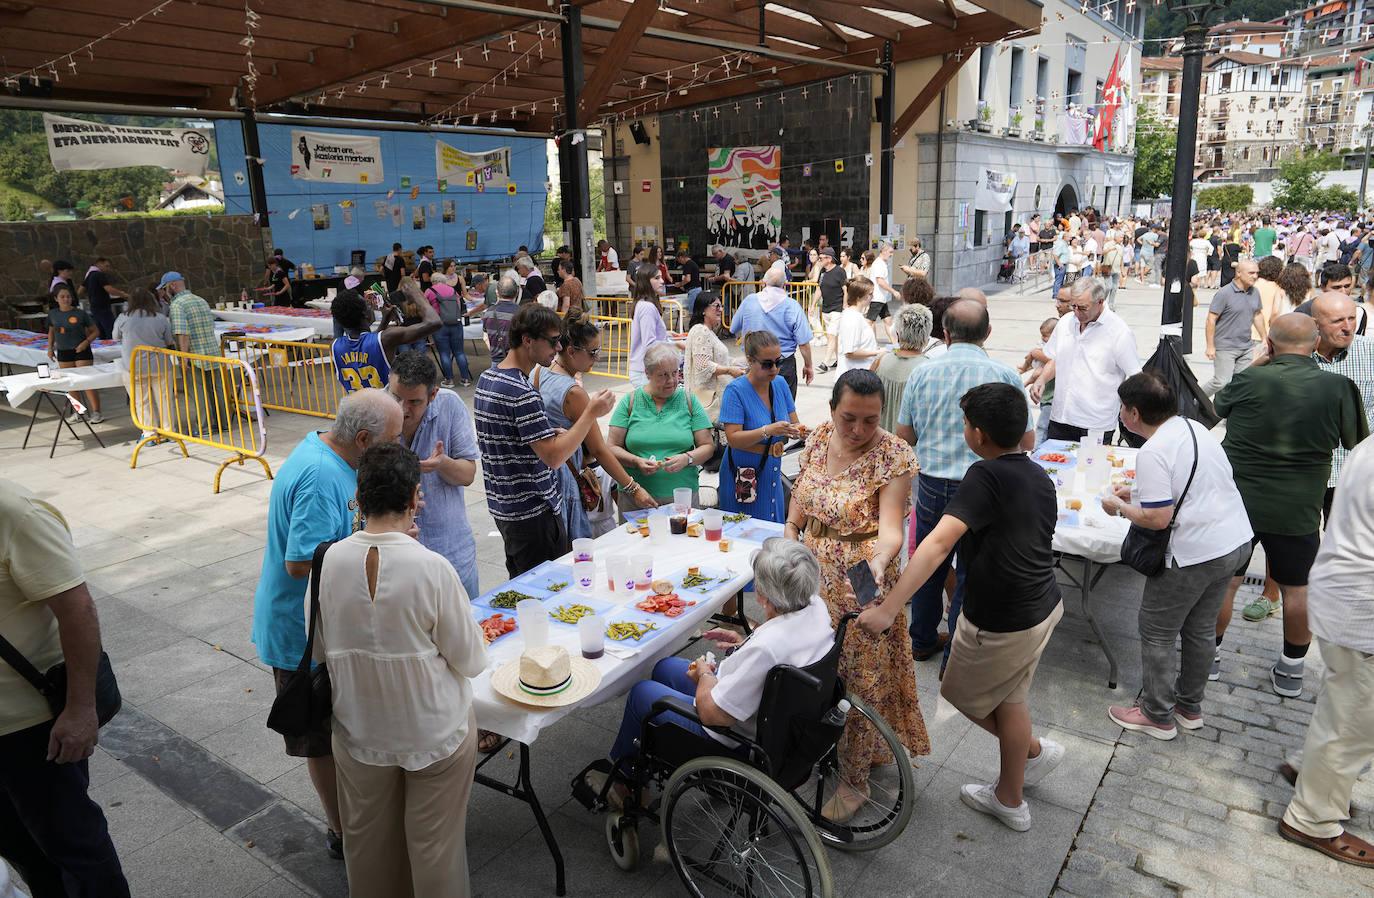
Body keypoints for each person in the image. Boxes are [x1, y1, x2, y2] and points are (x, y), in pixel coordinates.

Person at [863, 382, 1064, 833]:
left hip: (1004, 619)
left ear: (977, 434)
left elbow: (936, 546)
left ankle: (1026, 757)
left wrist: (890, 608)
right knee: (1009, 697)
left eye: (965, 424)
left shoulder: (985, 475)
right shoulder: (1035, 474)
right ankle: (1013, 786)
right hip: (1042, 607)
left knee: (958, 692)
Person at [316, 442, 487, 897]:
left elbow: (321, 648)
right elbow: (470, 660)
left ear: (360, 496)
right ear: (415, 496)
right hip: (434, 732)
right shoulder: (431, 567)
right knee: (435, 851)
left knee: (368, 848)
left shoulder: (330, 560)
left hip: (359, 729)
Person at [251, 389, 404, 859]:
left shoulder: (332, 455)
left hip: (323, 627)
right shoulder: (320, 475)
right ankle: (344, 833)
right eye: (391, 440)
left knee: (341, 733)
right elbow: (301, 562)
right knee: (319, 739)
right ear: (362, 439)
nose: (397, 449)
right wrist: (377, 548)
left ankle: (358, 821)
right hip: (302, 637)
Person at [783, 370, 928, 820]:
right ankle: (821, 744)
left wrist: (880, 563)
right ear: (832, 409)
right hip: (811, 568)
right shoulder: (821, 435)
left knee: (859, 677)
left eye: (870, 419)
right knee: (812, 662)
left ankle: (855, 780)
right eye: (850, 418)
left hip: (861, 573)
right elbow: (803, 494)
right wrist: (790, 530)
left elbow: (891, 532)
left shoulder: (893, 455)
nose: (859, 430)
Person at [1212, 314, 1369, 697]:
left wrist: (1258, 362)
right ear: (1316, 344)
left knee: (1225, 583)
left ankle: (1208, 658)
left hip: (1238, 504)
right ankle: (1291, 670)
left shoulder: (1250, 379)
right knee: (1297, 590)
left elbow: (1219, 406)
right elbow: (1358, 444)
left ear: (1269, 344)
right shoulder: (1338, 387)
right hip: (1297, 510)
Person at [591, 538, 833, 786]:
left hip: (737, 737)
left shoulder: (767, 648)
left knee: (642, 693)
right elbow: (782, 644)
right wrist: (745, 644)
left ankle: (624, 783)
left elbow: (713, 714)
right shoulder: (816, 607)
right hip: (779, 718)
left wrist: (705, 676)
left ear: (764, 597)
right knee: (663, 667)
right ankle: (649, 752)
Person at [1100, 373, 1252, 740]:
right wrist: (1136, 489)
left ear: (1133, 413)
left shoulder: (1152, 451)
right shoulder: (1191, 427)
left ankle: (1156, 714)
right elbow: (1189, 478)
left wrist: (1119, 505)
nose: (1120, 414)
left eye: (1122, 408)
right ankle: (1189, 707)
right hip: (1234, 542)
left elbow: (1157, 519)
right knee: (1199, 629)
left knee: (1157, 631)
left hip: (1194, 553)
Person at [0, 480, 131, 898]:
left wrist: (80, 711)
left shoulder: (16, 513)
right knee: (20, 847)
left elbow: (78, 610)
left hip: (31, 728)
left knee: (74, 848)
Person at [897, 299, 1031, 665]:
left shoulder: (922, 373)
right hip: (988, 486)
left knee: (929, 562)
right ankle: (956, 650)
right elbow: (1027, 441)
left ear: (944, 333)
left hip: (933, 482)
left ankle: (921, 639)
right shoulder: (1006, 376)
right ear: (988, 333)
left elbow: (904, 434)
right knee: (972, 570)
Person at [1277, 435, 1374, 868]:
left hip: (1344, 593)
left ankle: (1312, 770)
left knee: (1344, 704)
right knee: (1354, 718)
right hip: (1360, 605)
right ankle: (1312, 817)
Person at [474, 305, 615, 577]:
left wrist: (552, 434)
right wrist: (590, 413)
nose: (558, 347)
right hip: (532, 513)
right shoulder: (521, 392)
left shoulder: (488, 379)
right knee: (546, 593)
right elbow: (553, 457)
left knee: (523, 587)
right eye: (553, 341)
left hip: (505, 509)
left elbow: (511, 440)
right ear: (528, 340)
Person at [537, 309, 656, 537]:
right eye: (593, 352)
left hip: (544, 479)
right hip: (564, 482)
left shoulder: (540, 372)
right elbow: (599, 450)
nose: (598, 358)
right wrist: (634, 488)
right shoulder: (573, 393)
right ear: (571, 351)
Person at [386, 352, 481, 601]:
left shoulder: (450, 405)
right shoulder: (378, 410)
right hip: (399, 561)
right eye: (396, 397)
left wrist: (442, 464)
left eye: (414, 402)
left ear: (433, 394)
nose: (402, 409)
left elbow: (468, 474)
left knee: (468, 633)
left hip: (451, 554)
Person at [1030, 277, 1141, 444]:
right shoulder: (1066, 322)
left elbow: (1135, 377)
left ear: (1100, 302)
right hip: (1061, 416)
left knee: (1089, 469)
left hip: (1096, 423)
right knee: (1054, 467)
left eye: (1083, 308)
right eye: (1073, 306)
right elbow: (1057, 358)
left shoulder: (1119, 332)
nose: (1076, 312)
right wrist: (1042, 379)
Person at [608, 342, 713, 507]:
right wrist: (636, 461)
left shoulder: (688, 400)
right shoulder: (630, 402)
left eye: (675, 372)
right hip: (636, 497)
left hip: (682, 497)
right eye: (663, 375)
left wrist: (687, 458)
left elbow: (707, 446)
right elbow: (611, 448)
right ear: (647, 373)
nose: (671, 380)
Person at [718, 331, 801, 522]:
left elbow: (795, 423)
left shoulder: (780, 384)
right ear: (750, 360)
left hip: (771, 469)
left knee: (772, 529)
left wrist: (803, 430)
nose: (774, 369)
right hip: (743, 472)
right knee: (743, 529)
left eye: (778, 362)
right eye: (767, 364)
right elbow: (733, 438)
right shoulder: (736, 390)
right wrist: (768, 430)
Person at [1306, 293, 1374, 522]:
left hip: (1356, 476)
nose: (1348, 327)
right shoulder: (1296, 354)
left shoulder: (1370, 351)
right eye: (1337, 321)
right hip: (1305, 474)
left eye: (1352, 318)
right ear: (1315, 324)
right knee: (1295, 551)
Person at [728, 265, 814, 397]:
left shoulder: (749, 301)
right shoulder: (792, 306)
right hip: (783, 364)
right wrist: (808, 366)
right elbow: (803, 343)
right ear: (785, 284)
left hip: (754, 364)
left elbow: (733, 327)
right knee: (784, 409)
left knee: (755, 408)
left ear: (763, 282)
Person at [331, 288, 439, 393]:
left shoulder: (336, 346)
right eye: (367, 304)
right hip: (387, 407)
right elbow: (434, 323)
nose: (371, 306)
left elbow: (367, 343)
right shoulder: (386, 338)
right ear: (365, 314)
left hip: (360, 407)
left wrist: (384, 321)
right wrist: (416, 294)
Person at [161, 271, 222, 434]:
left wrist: (184, 357)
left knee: (198, 391)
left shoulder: (177, 305)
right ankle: (223, 423)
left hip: (194, 355)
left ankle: (205, 426)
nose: (164, 293)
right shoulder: (200, 300)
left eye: (164, 289)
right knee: (216, 390)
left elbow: (182, 333)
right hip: (212, 351)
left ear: (171, 286)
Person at [113, 287, 175, 437]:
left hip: (134, 365)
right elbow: (168, 341)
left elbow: (115, 337)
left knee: (142, 401)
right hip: (159, 364)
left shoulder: (123, 318)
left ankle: (149, 433)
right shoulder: (161, 318)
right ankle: (170, 432)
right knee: (165, 399)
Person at [1202, 259, 1265, 396]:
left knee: (1240, 382)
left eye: (1257, 273)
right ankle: (1194, 401)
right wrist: (1210, 346)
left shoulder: (1255, 292)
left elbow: (1257, 315)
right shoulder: (1224, 293)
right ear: (1238, 273)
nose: (1255, 276)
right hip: (1225, 346)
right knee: (1222, 381)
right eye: (1251, 273)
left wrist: (1264, 337)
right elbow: (1211, 320)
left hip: (1246, 347)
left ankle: (1225, 412)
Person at [45, 285, 104, 425]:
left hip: (81, 350)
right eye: (62, 297)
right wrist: (50, 348)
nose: (66, 299)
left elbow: (95, 331)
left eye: (68, 296)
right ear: (56, 299)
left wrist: (85, 342)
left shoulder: (80, 313)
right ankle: (79, 412)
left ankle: (96, 412)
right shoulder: (53, 314)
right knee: (71, 383)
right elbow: (51, 331)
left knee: (87, 381)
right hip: (63, 351)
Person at [871, 304, 932, 435]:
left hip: (880, 441)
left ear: (897, 334)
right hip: (911, 450)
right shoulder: (929, 369)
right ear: (926, 339)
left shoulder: (880, 360)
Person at [683, 291, 744, 421]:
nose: (721, 310)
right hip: (708, 401)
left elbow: (720, 359)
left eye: (721, 306)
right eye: (716, 306)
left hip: (712, 398)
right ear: (703, 309)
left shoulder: (707, 331)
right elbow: (703, 365)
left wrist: (743, 362)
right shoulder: (701, 331)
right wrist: (729, 370)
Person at [627, 267, 679, 388]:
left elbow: (648, 336)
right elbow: (650, 343)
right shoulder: (647, 307)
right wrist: (676, 345)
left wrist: (666, 334)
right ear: (646, 282)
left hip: (644, 371)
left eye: (661, 277)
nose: (662, 281)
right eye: (657, 278)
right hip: (645, 372)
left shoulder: (644, 304)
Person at [424, 273, 473, 388]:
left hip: (440, 325)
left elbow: (424, 309)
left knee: (444, 353)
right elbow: (459, 305)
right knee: (459, 352)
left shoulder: (429, 291)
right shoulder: (452, 290)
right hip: (456, 323)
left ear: (433, 281)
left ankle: (449, 380)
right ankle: (465, 379)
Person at [835, 275, 879, 374]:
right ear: (859, 297)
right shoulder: (852, 317)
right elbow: (850, 352)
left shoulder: (855, 315)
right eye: (870, 294)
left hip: (858, 373)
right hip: (853, 376)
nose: (873, 297)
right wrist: (878, 353)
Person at [815, 248, 847, 372]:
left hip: (837, 308)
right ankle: (840, 360)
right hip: (826, 308)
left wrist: (845, 304)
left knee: (831, 335)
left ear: (829, 258)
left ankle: (825, 363)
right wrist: (812, 305)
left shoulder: (839, 271)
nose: (819, 260)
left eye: (821, 258)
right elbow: (819, 289)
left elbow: (845, 289)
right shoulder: (823, 272)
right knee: (833, 337)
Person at [480, 275, 522, 366]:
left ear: (497, 293)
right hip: (517, 361)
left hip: (496, 362)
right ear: (516, 293)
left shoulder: (488, 313)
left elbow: (485, 337)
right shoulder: (522, 313)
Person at [82, 257, 127, 339]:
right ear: (99, 264)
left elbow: (81, 289)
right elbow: (109, 289)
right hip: (103, 307)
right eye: (106, 266)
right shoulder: (99, 274)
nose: (108, 269)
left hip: (94, 307)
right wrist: (123, 294)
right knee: (110, 330)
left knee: (101, 331)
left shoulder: (89, 275)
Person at [867, 242, 897, 344]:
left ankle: (895, 344)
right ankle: (869, 343)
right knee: (869, 322)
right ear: (883, 251)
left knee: (888, 321)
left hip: (881, 298)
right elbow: (880, 281)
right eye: (890, 252)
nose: (892, 254)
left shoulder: (881, 263)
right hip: (877, 298)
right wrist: (893, 291)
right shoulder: (879, 264)